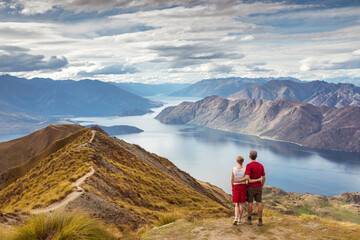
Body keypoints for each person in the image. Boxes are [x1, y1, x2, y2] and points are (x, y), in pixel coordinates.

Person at [231, 156, 261, 225]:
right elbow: (247, 179)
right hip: (243, 187)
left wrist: (232, 187)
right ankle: (239, 220)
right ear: (243, 162)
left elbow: (232, 180)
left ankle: (235, 217)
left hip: (236, 186)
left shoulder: (233, 169)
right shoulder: (245, 170)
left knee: (236, 204)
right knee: (241, 204)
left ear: (237, 161)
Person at [244, 150, 266, 226]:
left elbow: (247, 179)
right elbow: (264, 177)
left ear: (249, 156)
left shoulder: (248, 166)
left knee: (250, 203)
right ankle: (260, 221)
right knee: (259, 203)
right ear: (256, 156)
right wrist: (261, 185)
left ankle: (249, 219)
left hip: (250, 187)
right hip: (259, 187)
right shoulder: (261, 165)